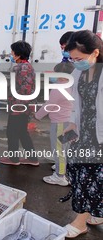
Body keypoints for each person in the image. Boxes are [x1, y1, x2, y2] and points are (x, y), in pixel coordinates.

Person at [60, 30, 103, 238]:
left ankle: (80, 221)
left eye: (79, 58)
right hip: (82, 132)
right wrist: (71, 124)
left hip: (99, 135)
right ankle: (95, 212)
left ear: (95, 52)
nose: (75, 63)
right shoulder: (79, 72)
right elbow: (76, 103)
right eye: (72, 59)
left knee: (92, 177)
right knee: (78, 174)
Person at [0, 41, 39, 166]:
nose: (11, 54)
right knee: (22, 132)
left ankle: (14, 159)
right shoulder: (27, 66)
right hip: (23, 106)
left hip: (19, 107)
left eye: (12, 52)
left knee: (12, 132)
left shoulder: (22, 68)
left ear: (18, 54)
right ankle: (33, 159)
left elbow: (24, 90)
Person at [35, 62, 74, 186]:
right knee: (65, 148)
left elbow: (49, 106)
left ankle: (59, 176)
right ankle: (62, 168)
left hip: (60, 123)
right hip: (70, 121)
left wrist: (37, 116)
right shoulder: (74, 86)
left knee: (59, 150)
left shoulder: (59, 88)